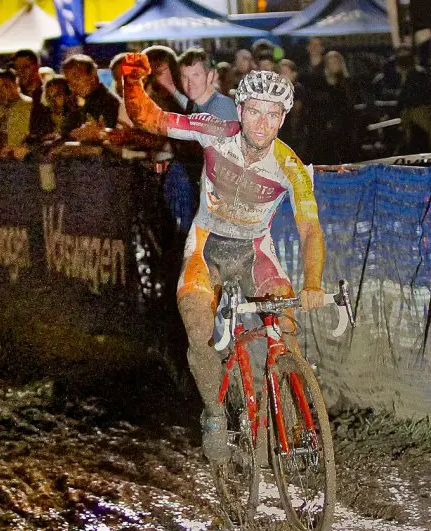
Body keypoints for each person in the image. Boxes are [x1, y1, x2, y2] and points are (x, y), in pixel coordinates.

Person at [121, 53, 326, 466]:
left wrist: (313, 284)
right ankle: (215, 415)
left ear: (283, 119)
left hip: (254, 253)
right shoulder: (216, 131)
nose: (262, 124)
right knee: (197, 327)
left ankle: (290, 418)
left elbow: (310, 230)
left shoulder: (292, 168)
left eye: (273, 115)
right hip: (207, 247)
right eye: (254, 112)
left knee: (286, 329)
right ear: (241, 110)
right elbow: (152, 119)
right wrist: (130, 83)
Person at [157, 47, 238, 121]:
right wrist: (169, 86)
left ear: (210, 76)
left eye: (196, 75)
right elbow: (187, 105)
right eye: (185, 77)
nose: (190, 83)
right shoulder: (198, 105)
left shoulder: (220, 107)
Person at [305, 50, 354, 164]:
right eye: (330, 62)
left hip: (344, 129)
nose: (333, 65)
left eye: (336, 62)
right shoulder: (320, 84)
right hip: (325, 130)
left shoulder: (347, 83)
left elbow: (350, 106)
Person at [62, 54, 120, 141]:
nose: (72, 84)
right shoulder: (76, 102)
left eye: (77, 77)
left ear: (93, 76)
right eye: (68, 80)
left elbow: (104, 133)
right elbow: (66, 130)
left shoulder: (109, 102)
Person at [0, 69, 32, 157]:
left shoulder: (29, 105)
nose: (1, 91)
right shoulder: (3, 109)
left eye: (5, 86)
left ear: (15, 83)